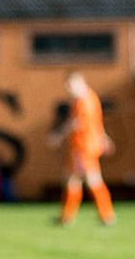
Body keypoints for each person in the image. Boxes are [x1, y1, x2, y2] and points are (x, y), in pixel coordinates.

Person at [48, 71, 116, 225]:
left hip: (84, 147)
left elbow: (77, 123)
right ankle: (67, 216)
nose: (70, 89)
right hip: (84, 145)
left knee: (92, 180)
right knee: (73, 180)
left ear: (80, 82)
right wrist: (103, 137)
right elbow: (96, 122)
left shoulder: (85, 101)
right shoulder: (89, 98)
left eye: (71, 85)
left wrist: (58, 136)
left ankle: (106, 214)